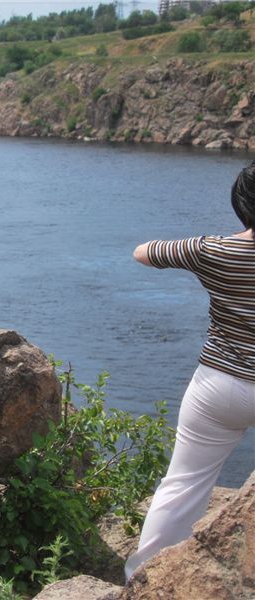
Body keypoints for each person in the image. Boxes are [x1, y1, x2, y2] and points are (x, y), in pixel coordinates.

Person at [124, 160, 255, 580]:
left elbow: (143, 253)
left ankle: (142, 581)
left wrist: (201, 250)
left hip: (219, 385)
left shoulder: (213, 250)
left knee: (182, 486)